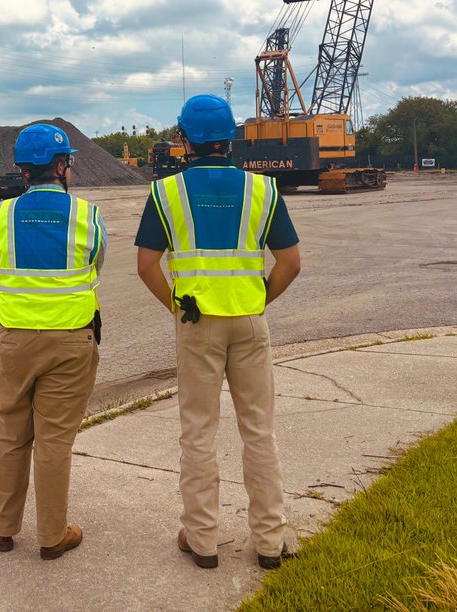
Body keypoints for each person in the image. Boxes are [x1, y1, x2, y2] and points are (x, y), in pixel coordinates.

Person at [135, 95, 301, 571]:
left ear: (184, 140)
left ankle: (203, 539)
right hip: (250, 322)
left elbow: (147, 264)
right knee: (259, 431)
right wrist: (257, 301)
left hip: (196, 323)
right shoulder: (263, 190)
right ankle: (269, 541)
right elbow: (290, 262)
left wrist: (176, 305)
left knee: (198, 432)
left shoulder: (166, 193)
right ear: (230, 138)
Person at [0, 123, 106, 560]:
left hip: (13, 341)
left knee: (11, 434)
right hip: (71, 342)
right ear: (60, 165)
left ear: (22, 170)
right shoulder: (87, 216)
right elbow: (96, 263)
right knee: (54, 441)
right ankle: (53, 536)